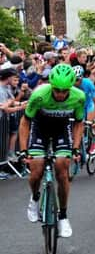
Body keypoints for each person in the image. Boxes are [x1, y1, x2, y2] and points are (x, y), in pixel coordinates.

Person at [19, 64, 85, 238]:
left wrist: (76, 147)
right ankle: (34, 198)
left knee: (62, 168)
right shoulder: (39, 95)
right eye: (57, 90)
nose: (60, 94)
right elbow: (25, 122)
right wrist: (24, 150)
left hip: (61, 129)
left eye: (64, 91)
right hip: (39, 128)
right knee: (37, 169)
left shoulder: (79, 97)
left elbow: (79, 123)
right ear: (51, 85)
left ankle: (63, 216)